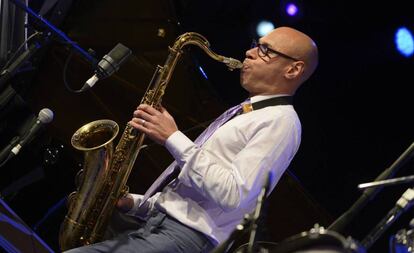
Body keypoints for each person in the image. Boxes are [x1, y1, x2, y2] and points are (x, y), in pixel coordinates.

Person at [64, 26, 319, 253]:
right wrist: (134, 203)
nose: (250, 53)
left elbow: (233, 195)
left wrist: (172, 137)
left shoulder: (281, 122)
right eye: (256, 44)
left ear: (293, 69)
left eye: (265, 50)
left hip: (185, 239)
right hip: (159, 225)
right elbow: (191, 197)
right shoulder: (246, 111)